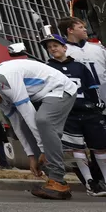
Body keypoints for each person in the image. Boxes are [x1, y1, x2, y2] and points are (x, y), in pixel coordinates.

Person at [0, 58, 78, 199]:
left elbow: (28, 113)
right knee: (26, 127)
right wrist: (31, 156)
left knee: (43, 121)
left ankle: (58, 181)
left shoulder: (5, 79)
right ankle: (53, 180)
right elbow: (17, 125)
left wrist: (43, 149)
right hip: (42, 95)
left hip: (61, 89)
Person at [41, 33, 106, 196]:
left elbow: (92, 87)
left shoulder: (80, 67)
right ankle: (90, 182)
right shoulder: (47, 68)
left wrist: (97, 103)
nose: (52, 49)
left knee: (100, 148)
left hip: (89, 110)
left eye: (55, 45)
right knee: (77, 148)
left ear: (64, 47)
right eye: (49, 47)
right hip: (68, 113)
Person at [59, 17, 106, 105]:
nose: (85, 30)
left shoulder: (98, 48)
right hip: (85, 98)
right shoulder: (64, 52)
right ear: (70, 30)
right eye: (80, 27)